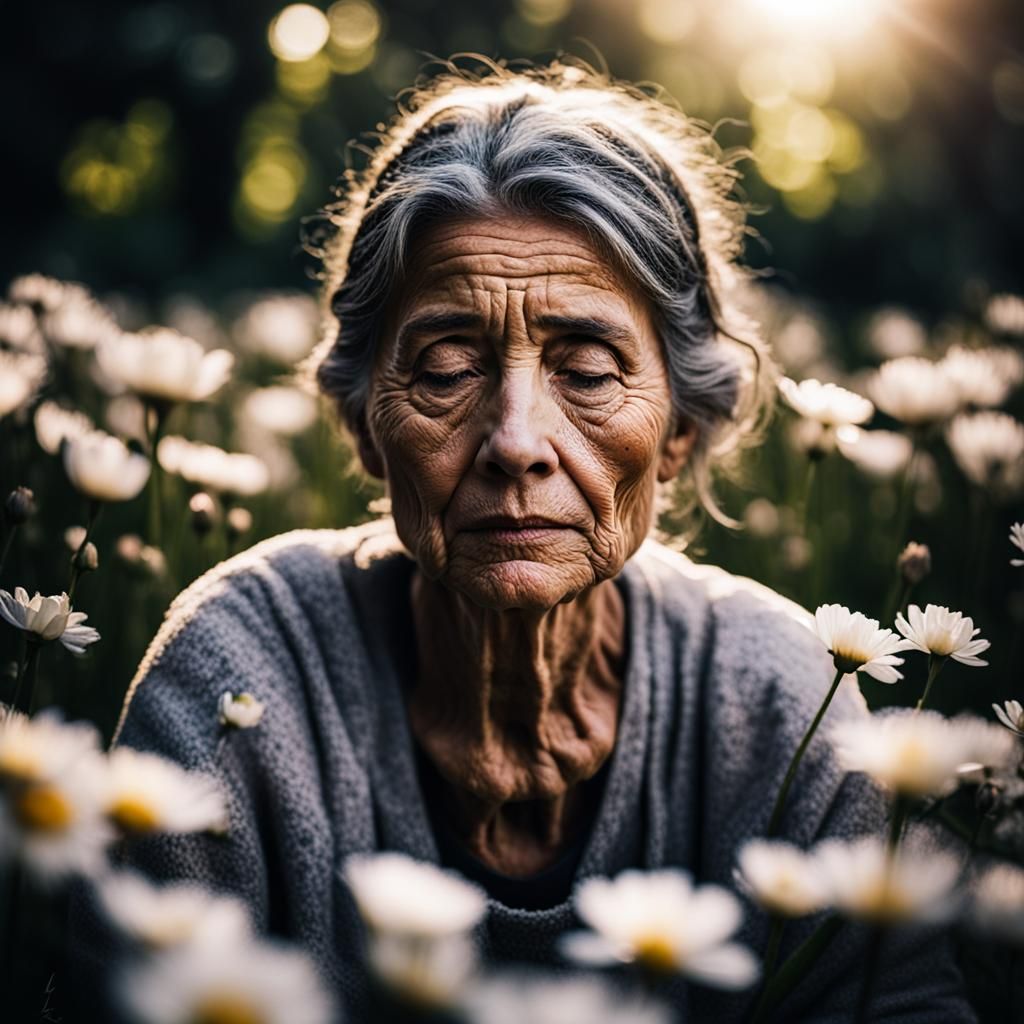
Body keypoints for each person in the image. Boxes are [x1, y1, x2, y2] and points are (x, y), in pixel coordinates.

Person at [70, 57, 974, 1021]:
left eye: (587, 372)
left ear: (678, 430)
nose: (515, 441)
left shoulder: (783, 699)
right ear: (363, 424)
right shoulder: (239, 679)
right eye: (448, 367)